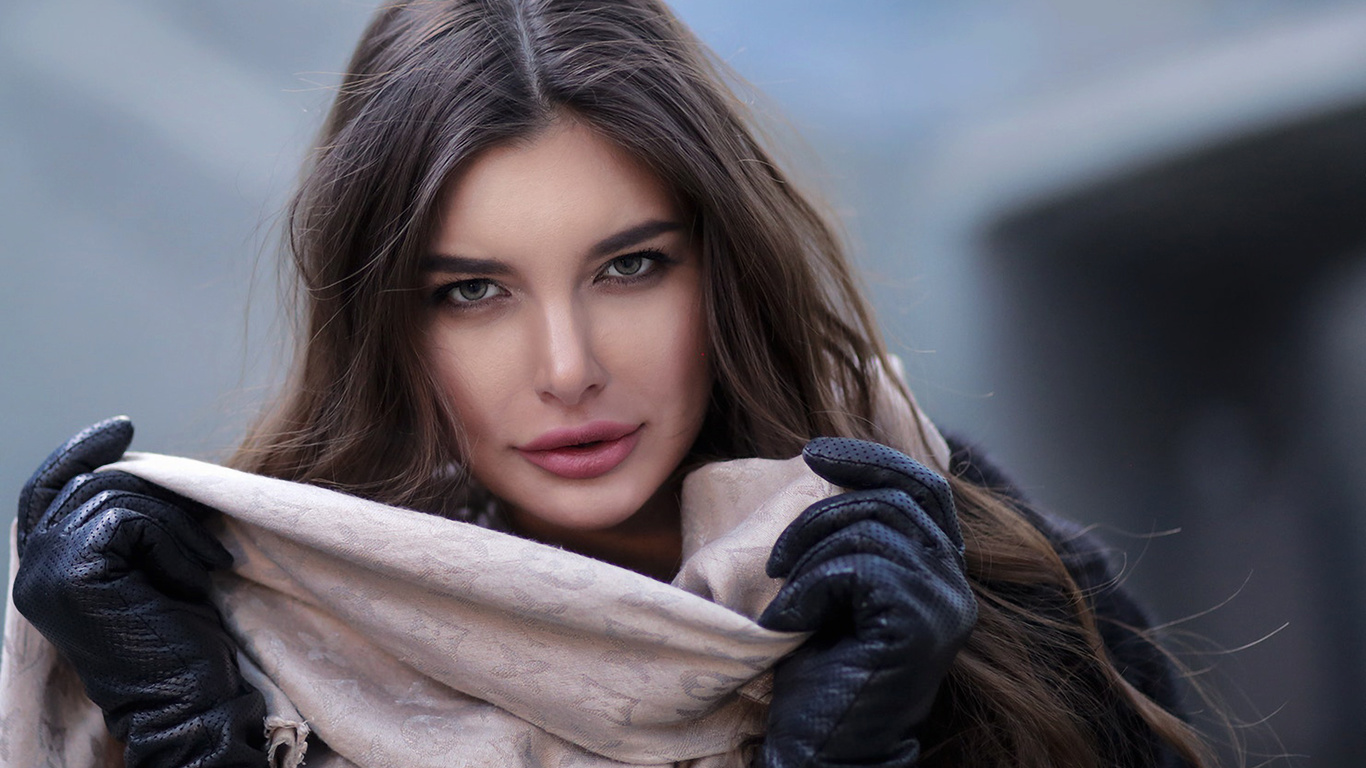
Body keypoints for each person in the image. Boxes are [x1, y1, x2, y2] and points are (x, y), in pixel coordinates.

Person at [7, 1, 1214, 767]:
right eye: (470, 291)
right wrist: (183, 737)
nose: (568, 369)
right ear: (386, 323)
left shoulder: (974, 578)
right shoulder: (270, 632)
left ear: (720, 267)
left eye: (629, 267)